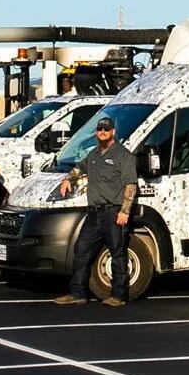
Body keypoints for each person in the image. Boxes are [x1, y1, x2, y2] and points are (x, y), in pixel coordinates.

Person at [54, 117, 137, 307]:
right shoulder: (93, 154)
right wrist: (68, 180)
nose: (102, 132)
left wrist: (124, 211)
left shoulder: (123, 155)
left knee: (118, 253)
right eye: (99, 129)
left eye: (106, 129)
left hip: (113, 211)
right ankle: (77, 293)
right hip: (94, 213)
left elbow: (130, 185)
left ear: (113, 132)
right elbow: (79, 169)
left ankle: (118, 295)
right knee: (81, 250)